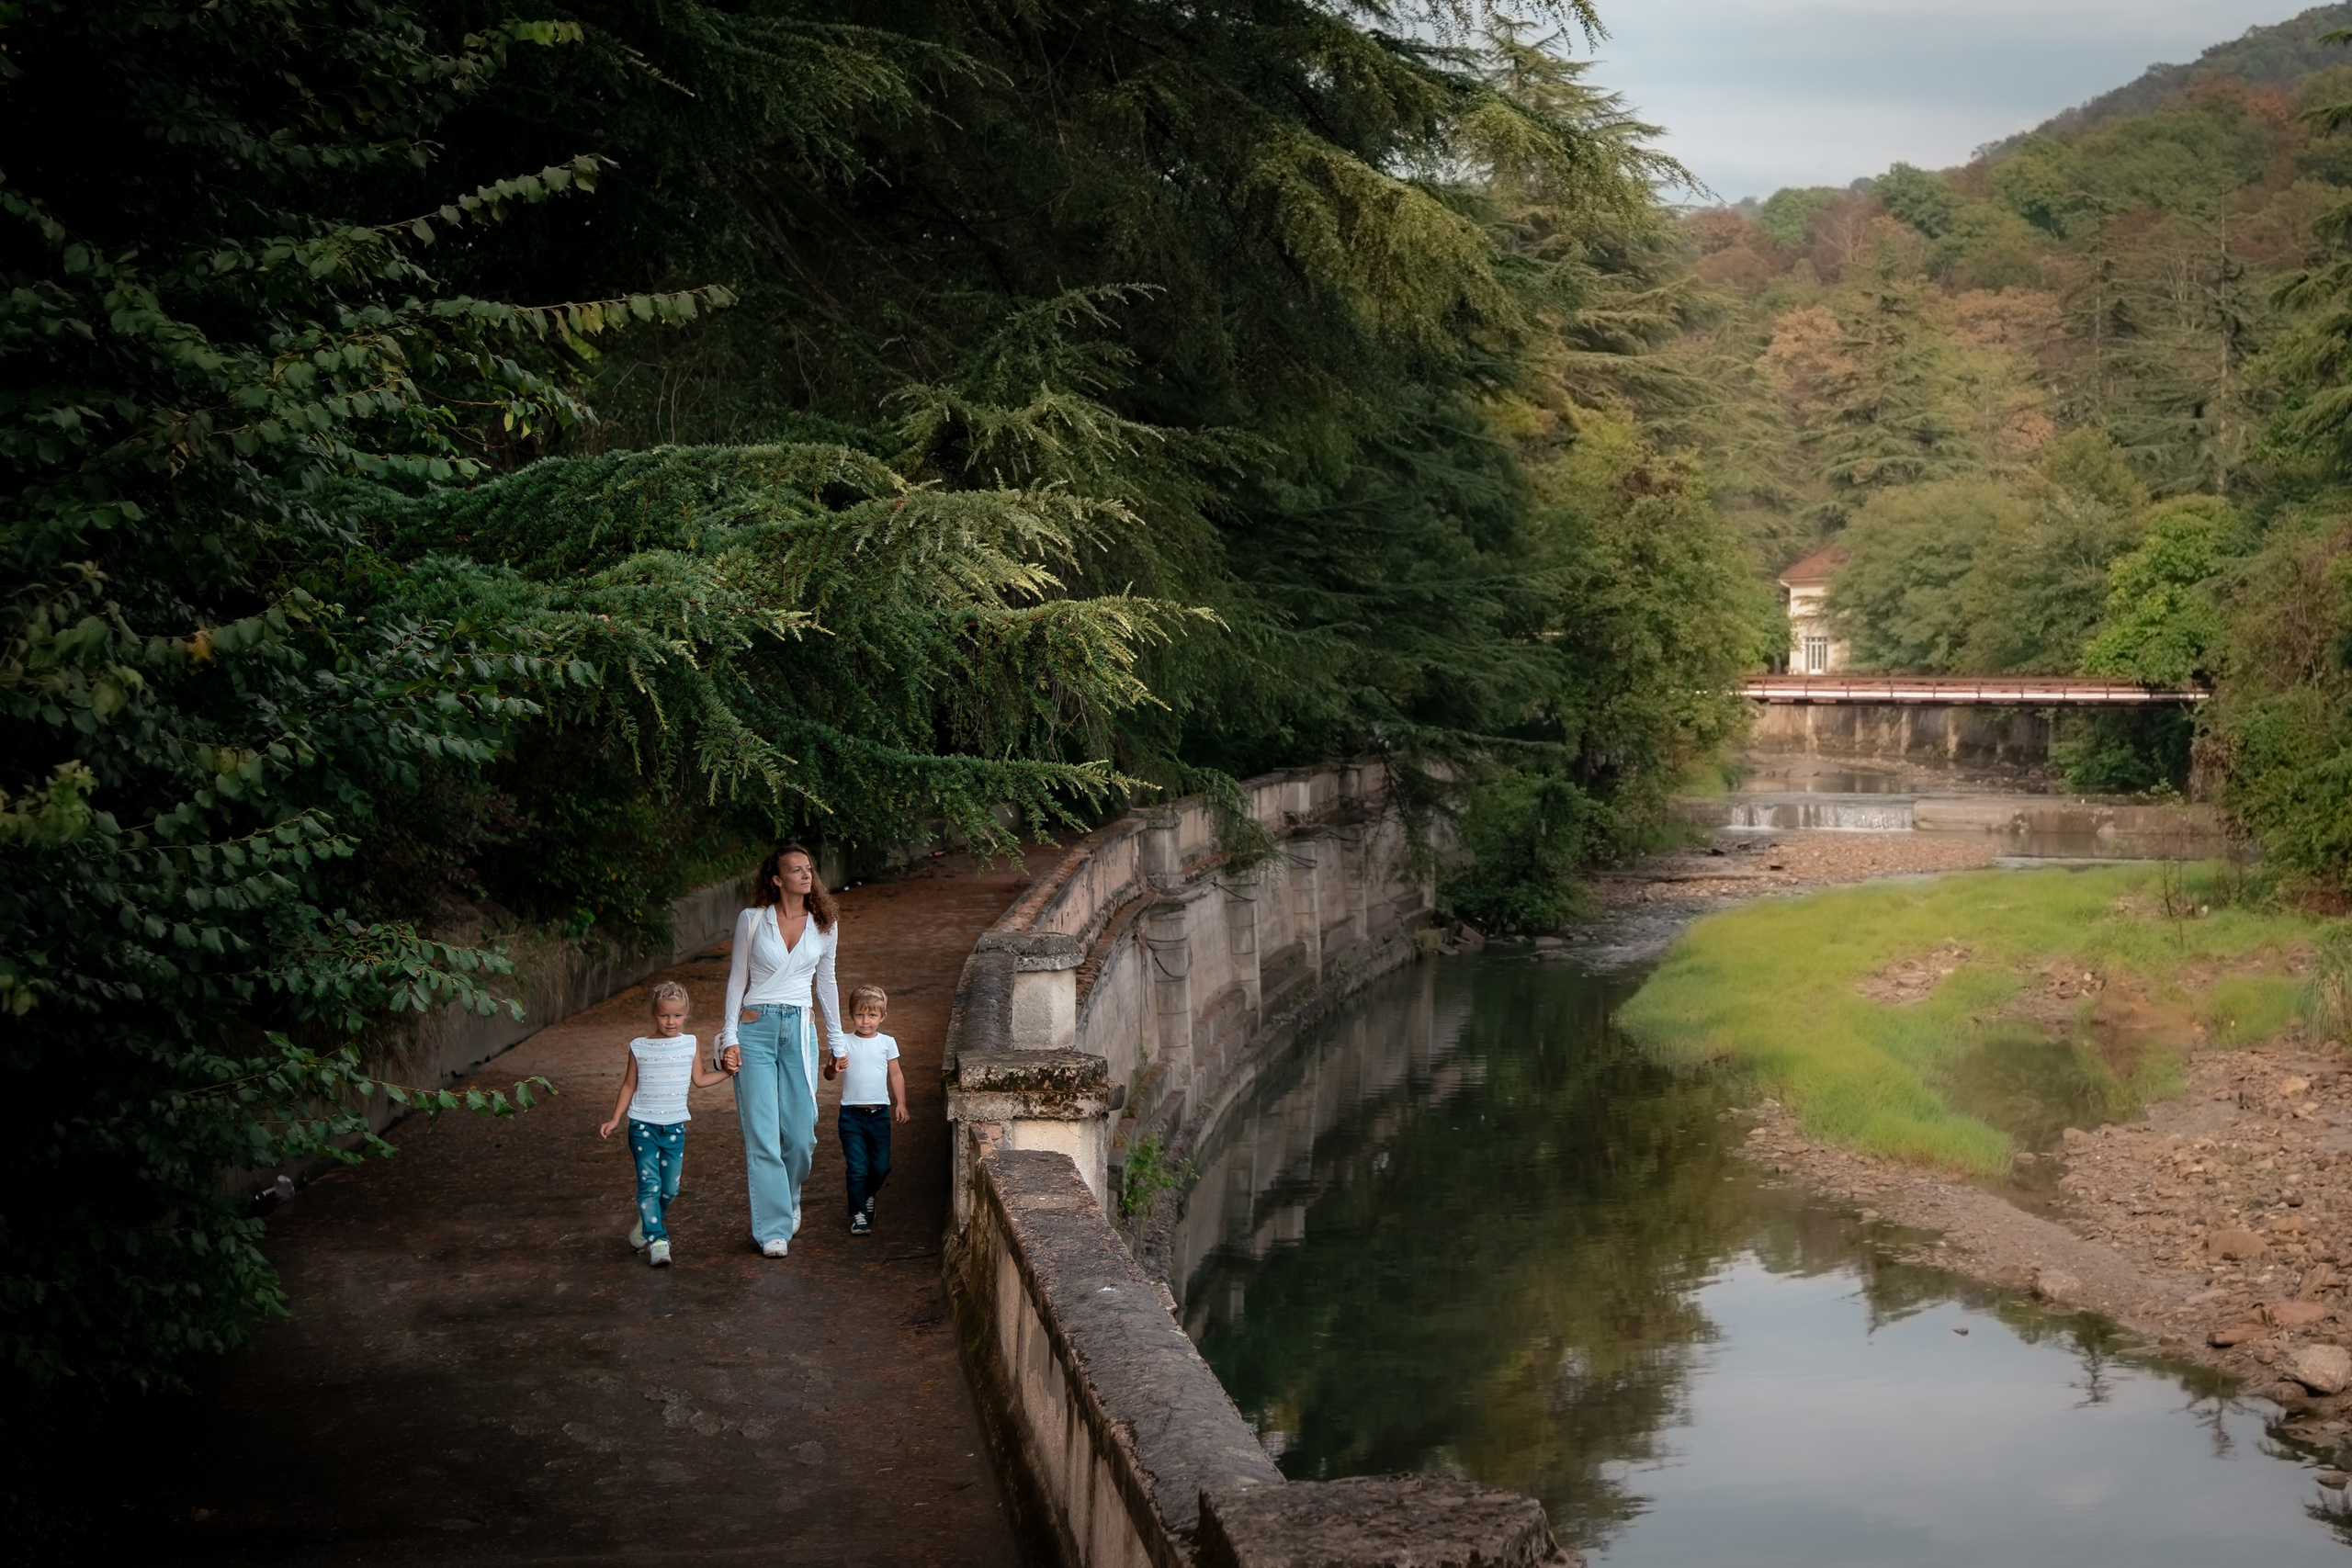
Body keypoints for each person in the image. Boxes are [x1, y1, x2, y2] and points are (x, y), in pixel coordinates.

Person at [717, 843, 847, 1257]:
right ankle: (772, 1229)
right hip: (754, 1029)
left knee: (802, 1134)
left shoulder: (825, 924)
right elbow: (738, 979)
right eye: (796, 870)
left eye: (808, 868)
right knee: (762, 1133)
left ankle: (788, 1194)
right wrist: (729, 1035)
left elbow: (826, 984)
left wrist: (837, 1039)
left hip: (800, 1028)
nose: (806, 875)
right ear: (776, 879)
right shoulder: (752, 920)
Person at [598, 981, 734, 1268]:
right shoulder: (640, 1047)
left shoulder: (690, 1043)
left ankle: (645, 1226)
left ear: (686, 1015)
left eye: (677, 1016)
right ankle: (659, 1240)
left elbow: (699, 1079)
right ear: (654, 1014)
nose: (670, 1022)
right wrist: (615, 1118)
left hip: (674, 1128)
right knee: (649, 1185)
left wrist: (727, 1073)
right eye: (664, 1016)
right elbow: (628, 1085)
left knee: (669, 1189)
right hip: (643, 1127)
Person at [829, 984, 908, 1235]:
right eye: (860, 1015)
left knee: (881, 1166)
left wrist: (901, 1103)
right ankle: (858, 1212)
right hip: (851, 1116)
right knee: (857, 1167)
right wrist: (834, 1068)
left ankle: (869, 1193)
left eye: (872, 1015)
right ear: (851, 1015)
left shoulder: (887, 1042)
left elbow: (895, 1074)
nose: (865, 1022)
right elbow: (829, 1073)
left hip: (879, 1115)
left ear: (882, 1016)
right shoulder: (842, 1042)